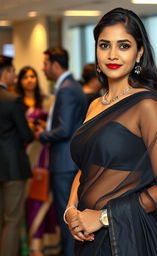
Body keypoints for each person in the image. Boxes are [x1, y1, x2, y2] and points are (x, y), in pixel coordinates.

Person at [64, 7, 157, 256]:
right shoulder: (94, 105)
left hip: (127, 238)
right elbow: (87, 167)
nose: (112, 54)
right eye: (104, 45)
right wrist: (70, 210)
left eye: (123, 46)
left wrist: (102, 218)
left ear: (139, 52)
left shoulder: (147, 105)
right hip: (87, 233)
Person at [35, 47, 88, 256]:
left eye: (45, 64)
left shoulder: (66, 88)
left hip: (65, 162)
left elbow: (64, 129)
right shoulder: (71, 85)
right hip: (70, 161)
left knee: (68, 217)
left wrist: (42, 135)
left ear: (55, 65)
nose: (43, 68)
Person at [16, 66, 60, 256]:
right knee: (30, 198)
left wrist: (42, 126)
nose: (30, 80)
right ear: (20, 81)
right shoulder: (16, 103)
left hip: (44, 153)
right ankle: (32, 246)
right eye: (25, 77)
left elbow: (54, 126)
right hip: (26, 154)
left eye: (32, 76)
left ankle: (47, 244)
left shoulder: (47, 101)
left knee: (44, 196)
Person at [0, 56, 34, 256]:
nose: (14, 74)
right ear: (6, 73)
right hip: (12, 167)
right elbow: (26, 135)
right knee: (12, 219)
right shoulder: (12, 100)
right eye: (13, 71)